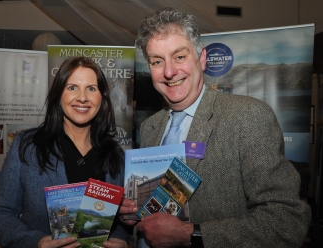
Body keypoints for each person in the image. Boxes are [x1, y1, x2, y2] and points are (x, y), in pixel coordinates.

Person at [119, 7, 311, 248]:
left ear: (201, 58)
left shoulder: (247, 117)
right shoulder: (150, 127)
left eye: (179, 57)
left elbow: (288, 221)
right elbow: (156, 212)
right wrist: (134, 218)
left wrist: (191, 234)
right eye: (158, 61)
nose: (169, 72)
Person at [0, 57, 129, 248]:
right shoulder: (28, 146)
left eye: (91, 88)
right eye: (72, 87)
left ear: (101, 97)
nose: (82, 97)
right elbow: (0, 213)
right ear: (58, 94)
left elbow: (121, 218)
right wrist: (36, 242)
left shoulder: (115, 154)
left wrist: (121, 238)